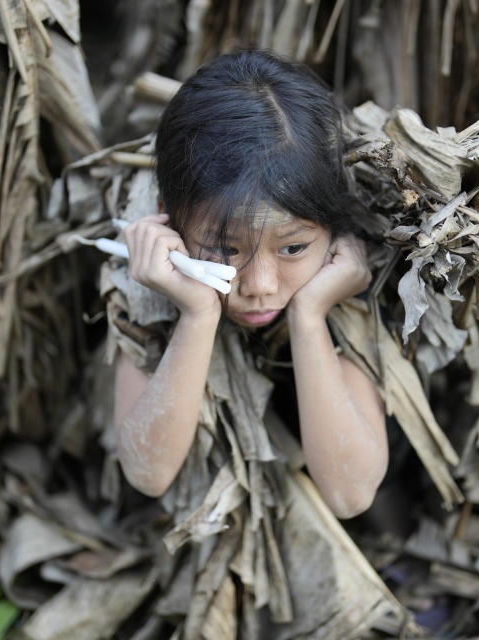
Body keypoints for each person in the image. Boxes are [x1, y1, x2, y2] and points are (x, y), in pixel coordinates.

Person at [114, 50, 389, 520]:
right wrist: (198, 315)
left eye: (293, 248)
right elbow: (148, 473)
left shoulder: (349, 277)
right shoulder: (145, 269)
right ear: (168, 216)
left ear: (335, 227)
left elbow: (350, 495)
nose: (260, 286)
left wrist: (309, 316)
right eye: (225, 249)